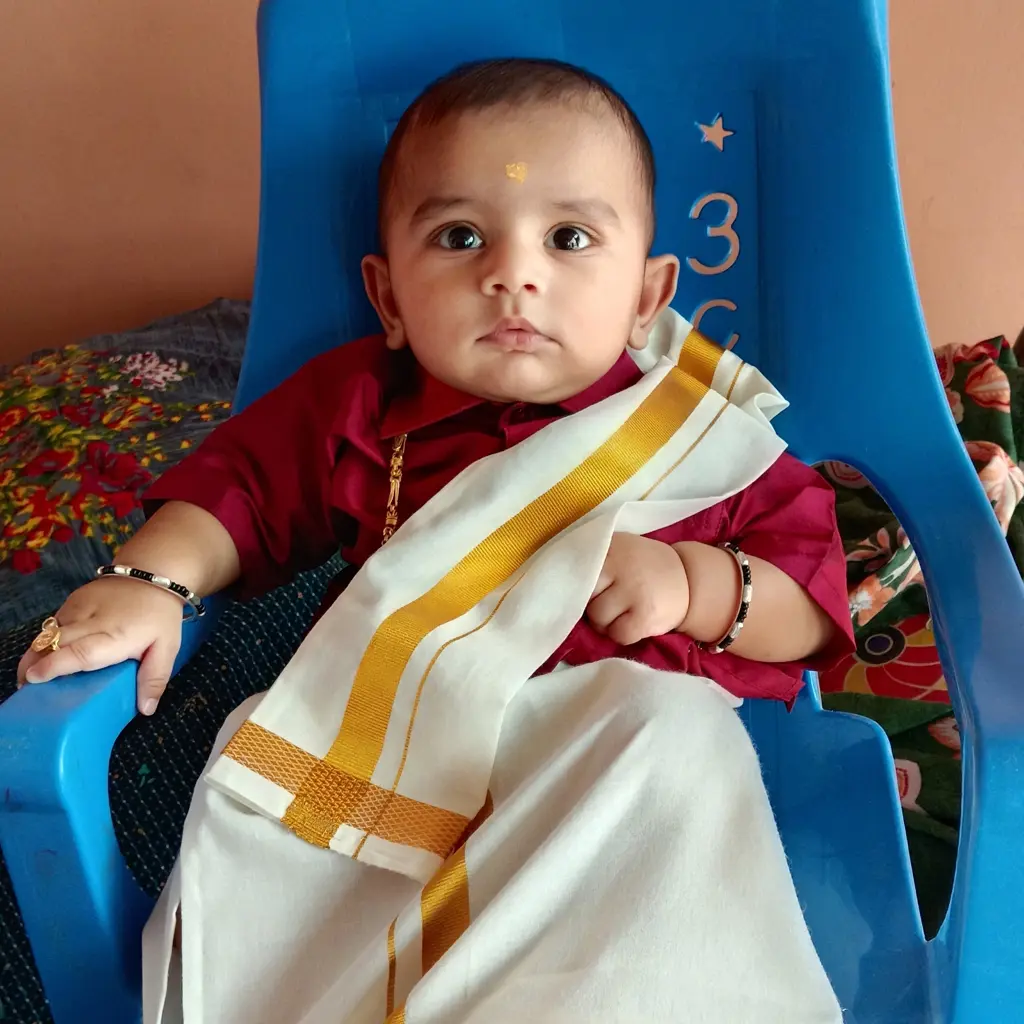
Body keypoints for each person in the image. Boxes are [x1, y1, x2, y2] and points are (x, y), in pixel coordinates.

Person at [19, 59, 853, 1023]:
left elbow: (808, 605)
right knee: (258, 764)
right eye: (461, 237)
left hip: (609, 764)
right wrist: (150, 578)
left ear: (644, 295)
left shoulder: (698, 438)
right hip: (392, 748)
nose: (513, 274)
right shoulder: (362, 407)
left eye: (570, 237)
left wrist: (697, 585)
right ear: (389, 297)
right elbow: (239, 490)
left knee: (671, 726)